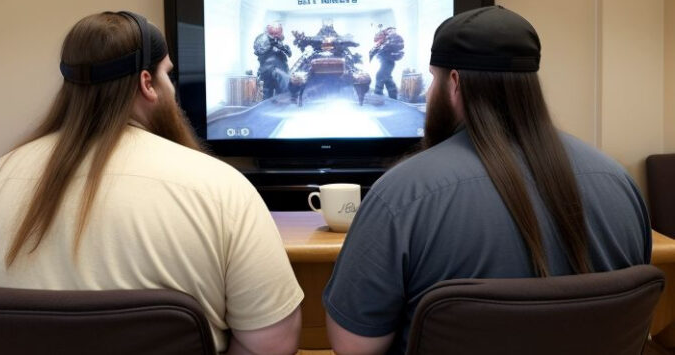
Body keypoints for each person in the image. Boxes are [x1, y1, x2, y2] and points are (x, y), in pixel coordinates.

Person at [0, 12, 303, 354]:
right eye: (167, 76)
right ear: (148, 84)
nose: (172, 91)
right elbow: (274, 344)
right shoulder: (222, 189)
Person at [322, 6, 651, 354]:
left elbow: (354, 346)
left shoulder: (402, 194)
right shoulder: (619, 183)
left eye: (433, 79)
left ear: (453, 83)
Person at [254, 23, 292, 99]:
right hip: (266, 74)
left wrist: (281, 46)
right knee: (265, 97)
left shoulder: (281, 46)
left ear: (281, 33)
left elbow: (289, 53)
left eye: (277, 33)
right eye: (271, 33)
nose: (274, 36)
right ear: (267, 33)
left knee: (283, 97)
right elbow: (258, 50)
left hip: (281, 74)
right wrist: (270, 43)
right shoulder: (262, 42)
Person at [369, 26, 404, 99]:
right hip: (385, 60)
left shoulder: (393, 38)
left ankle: (378, 95)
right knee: (387, 78)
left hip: (389, 60)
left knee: (380, 76)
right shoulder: (383, 41)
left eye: (391, 30)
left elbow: (398, 47)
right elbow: (374, 47)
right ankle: (392, 96)